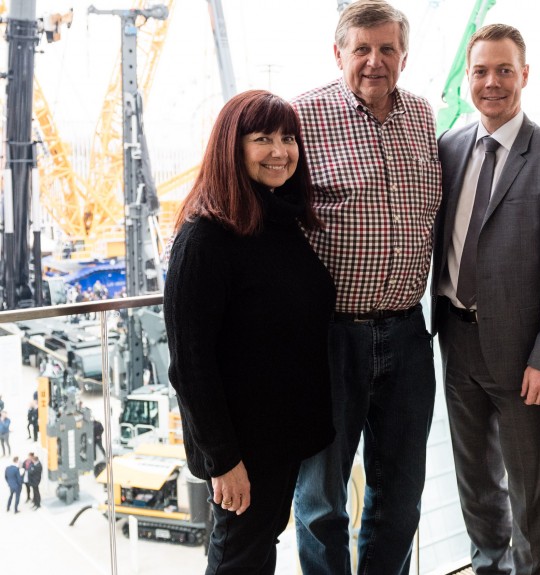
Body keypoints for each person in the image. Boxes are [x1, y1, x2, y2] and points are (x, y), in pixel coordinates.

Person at [290, 2, 442, 573]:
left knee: (400, 496)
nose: (374, 61)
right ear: (339, 54)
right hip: (330, 340)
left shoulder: (423, 117)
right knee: (321, 500)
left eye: (387, 49)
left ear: (404, 56)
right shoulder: (302, 118)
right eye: (361, 48)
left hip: (407, 333)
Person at [431, 23, 540, 575]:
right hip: (456, 340)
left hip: (523, 358)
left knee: (530, 494)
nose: (491, 82)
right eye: (480, 71)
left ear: (525, 75)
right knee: (475, 485)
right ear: (468, 79)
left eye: (504, 70)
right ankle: (487, 567)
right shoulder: (448, 147)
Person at [164, 89, 336, 575]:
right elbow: (191, 365)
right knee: (238, 555)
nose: (280, 151)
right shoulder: (205, 238)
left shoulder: (277, 219)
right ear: (232, 148)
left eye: (288, 137)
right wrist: (223, 460)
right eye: (262, 138)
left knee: (259, 546)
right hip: (242, 444)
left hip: (278, 436)